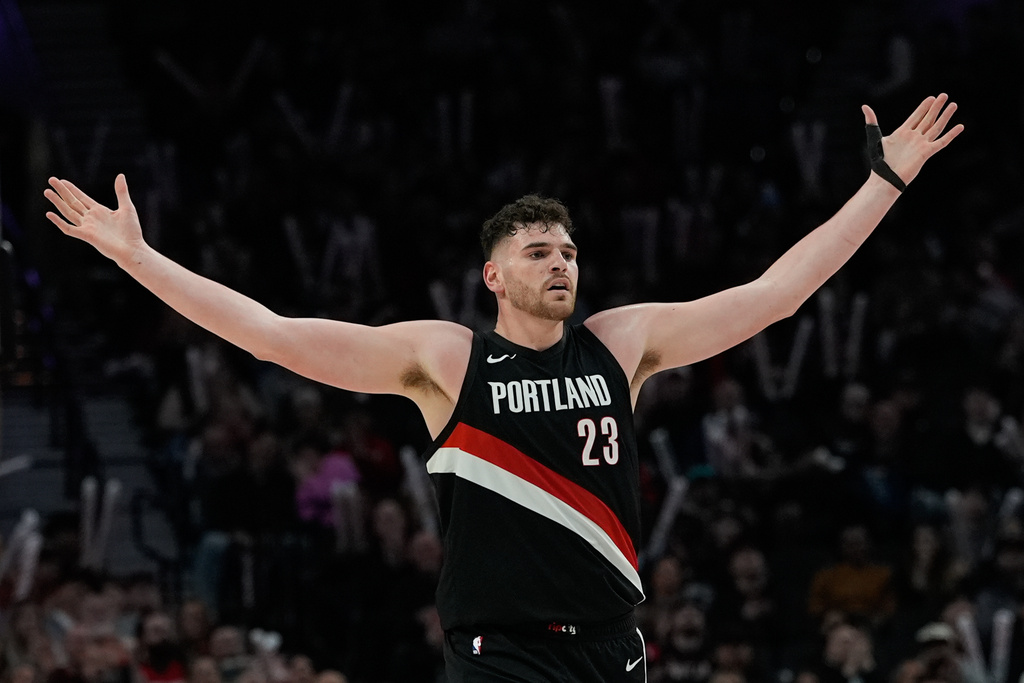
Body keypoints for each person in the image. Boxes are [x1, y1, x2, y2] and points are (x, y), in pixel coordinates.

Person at [43, 94, 963, 681]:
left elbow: (773, 297)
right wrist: (138, 257)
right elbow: (273, 337)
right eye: (538, 251)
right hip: (501, 656)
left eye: (568, 250)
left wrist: (883, 181)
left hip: (613, 645)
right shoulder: (446, 361)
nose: (560, 262)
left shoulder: (622, 341)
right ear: (494, 275)